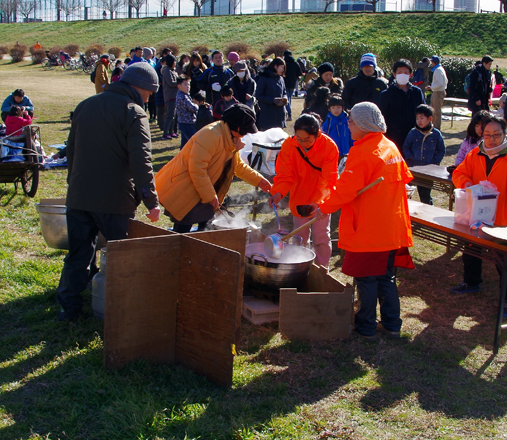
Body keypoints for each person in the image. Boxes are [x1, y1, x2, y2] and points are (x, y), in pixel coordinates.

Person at [57, 61, 161, 321]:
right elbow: (142, 161)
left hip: (79, 196)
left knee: (78, 254)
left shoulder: (85, 105)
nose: (149, 99)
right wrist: (151, 200)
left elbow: (71, 151)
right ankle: (122, 309)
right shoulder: (134, 112)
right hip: (115, 200)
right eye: (149, 93)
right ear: (140, 88)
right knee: (121, 256)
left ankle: (68, 309)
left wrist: (74, 183)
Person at [314, 102, 415, 339]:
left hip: (370, 228)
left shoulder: (363, 152)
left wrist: (324, 208)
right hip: (390, 226)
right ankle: (392, 324)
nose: (348, 124)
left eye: (351, 121)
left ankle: (366, 326)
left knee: (367, 279)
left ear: (363, 124)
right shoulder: (389, 146)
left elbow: (346, 190)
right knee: (386, 277)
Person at [451, 114, 507, 315]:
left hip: (503, 217)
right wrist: (467, 184)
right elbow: (459, 173)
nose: (491, 139)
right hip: (478, 213)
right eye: (487, 135)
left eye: (496, 135)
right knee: (470, 248)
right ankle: (471, 281)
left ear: (505, 134)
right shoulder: (475, 154)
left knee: (505, 260)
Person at [156, 104, 273, 234]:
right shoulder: (210, 135)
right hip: (188, 188)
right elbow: (197, 169)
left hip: (205, 188)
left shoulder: (231, 137)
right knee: (182, 230)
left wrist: (259, 180)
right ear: (237, 127)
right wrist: (210, 196)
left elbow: (238, 165)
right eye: (245, 131)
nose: (245, 135)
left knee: (206, 227)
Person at [270, 114, 340, 267]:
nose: (303, 143)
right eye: (299, 139)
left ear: (318, 134)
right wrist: (278, 193)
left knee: (321, 236)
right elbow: (284, 174)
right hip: (299, 196)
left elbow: (328, 180)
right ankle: (299, 268)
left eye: (307, 139)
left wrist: (318, 202)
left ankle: (322, 270)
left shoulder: (329, 147)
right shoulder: (289, 144)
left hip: (322, 198)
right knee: (299, 236)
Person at [401, 104, 446, 205]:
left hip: (428, 171)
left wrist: (435, 162)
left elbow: (441, 150)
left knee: (425, 196)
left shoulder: (436, 134)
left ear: (430, 118)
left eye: (422, 118)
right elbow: (406, 147)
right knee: (406, 192)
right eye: (417, 118)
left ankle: (427, 214)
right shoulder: (413, 133)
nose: (419, 121)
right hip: (413, 169)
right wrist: (410, 157)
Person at [380, 59, 427, 149]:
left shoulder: (417, 92)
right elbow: (382, 117)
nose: (403, 74)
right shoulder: (386, 94)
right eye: (400, 72)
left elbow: (423, 112)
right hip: (393, 137)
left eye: (406, 72)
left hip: (414, 135)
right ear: (394, 74)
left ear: (411, 75)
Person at [255, 57, 288, 131]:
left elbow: (284, 92)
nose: (283, 70)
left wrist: (285, 99)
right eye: (282, 67)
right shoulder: (264, 78)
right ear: (275, 66)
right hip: (267, 117)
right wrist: (272, 100)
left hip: (279, 116)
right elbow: (258, 95)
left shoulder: (281, 79)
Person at [175, 75, 198, 148]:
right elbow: (193, 108)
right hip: (186, 123)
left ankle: (182, 158)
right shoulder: (183, 97)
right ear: (179, 86)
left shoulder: (184, 95)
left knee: (184, 144)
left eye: (188, 84)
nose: (188, 86)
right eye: (185, 85)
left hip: (183, 122)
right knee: (194, 142)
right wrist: (197, 105)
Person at [160, 55, 179, 140]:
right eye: (174, 62)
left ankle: (171, 132)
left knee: (173, 116)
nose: (175, 64)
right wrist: (180, 83)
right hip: (170, 96)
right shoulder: (167, 71)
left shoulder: (173, 71)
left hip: (175, 96)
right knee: (170, 116)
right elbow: (171, 83)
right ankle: (165, 133)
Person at [426, 56, 448, 130]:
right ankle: (433, 126)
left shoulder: (438, 70)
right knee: (432, 110)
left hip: (438, 92)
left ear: (434, 62)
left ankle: (437, 127)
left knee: (436, 111)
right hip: (437, 92)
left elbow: (440, 83)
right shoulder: (440, 69)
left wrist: (431, 87)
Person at [283, 50, 302, 119]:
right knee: (289, 99)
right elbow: (300, 73)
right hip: (292, 83)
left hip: (284, 83)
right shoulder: (295, 63)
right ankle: (288, 113)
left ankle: (288, 114)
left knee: (285, 99)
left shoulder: (283, 63)